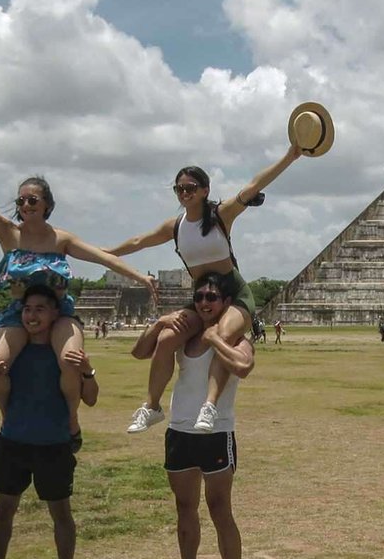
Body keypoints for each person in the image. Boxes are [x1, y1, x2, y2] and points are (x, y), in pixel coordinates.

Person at [0, 150, 156, 441]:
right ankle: (7, 418)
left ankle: (72, 418)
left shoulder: (61, 239)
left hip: (59, 311)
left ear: (47, 205)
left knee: (69, 361)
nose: (26, 205)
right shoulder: (8, 234)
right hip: (20, 311)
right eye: (21, 201)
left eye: (33, 200)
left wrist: (139, 276)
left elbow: (104, 259)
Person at [110, 147, 304, 434]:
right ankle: (152, 407)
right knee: (166, 338)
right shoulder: (175, 226)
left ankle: (209, 407)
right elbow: (140, 240)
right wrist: (102, 252)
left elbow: (254, 186)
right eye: (179, 189)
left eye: (190, 188)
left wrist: (291, 154)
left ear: (204, 190)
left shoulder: (220, 215)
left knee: (222, 336)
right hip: (202, 296)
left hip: (233, 294)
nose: (184, 193)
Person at [133, 272, 255, 559]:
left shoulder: (236, 336)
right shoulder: (182, 336)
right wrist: (158, 324)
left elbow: (244, 366)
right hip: (179, 431)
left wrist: (216, 339)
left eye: (212, 297)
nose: (204, 302)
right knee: (184, 509)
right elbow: (139, 352)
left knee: (220, 511)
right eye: (199, 296)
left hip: (216, 433)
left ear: (226, 303)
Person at [0, 285, 99, 559]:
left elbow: (92, 398)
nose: (32, 315)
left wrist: (87, 370)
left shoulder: (63, 355)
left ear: (56, 314)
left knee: (61, 513)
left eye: (41, 309)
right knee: (4, 511)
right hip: (13, 441)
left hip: (54, 443)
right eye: (28, 309)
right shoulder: (12, 352)